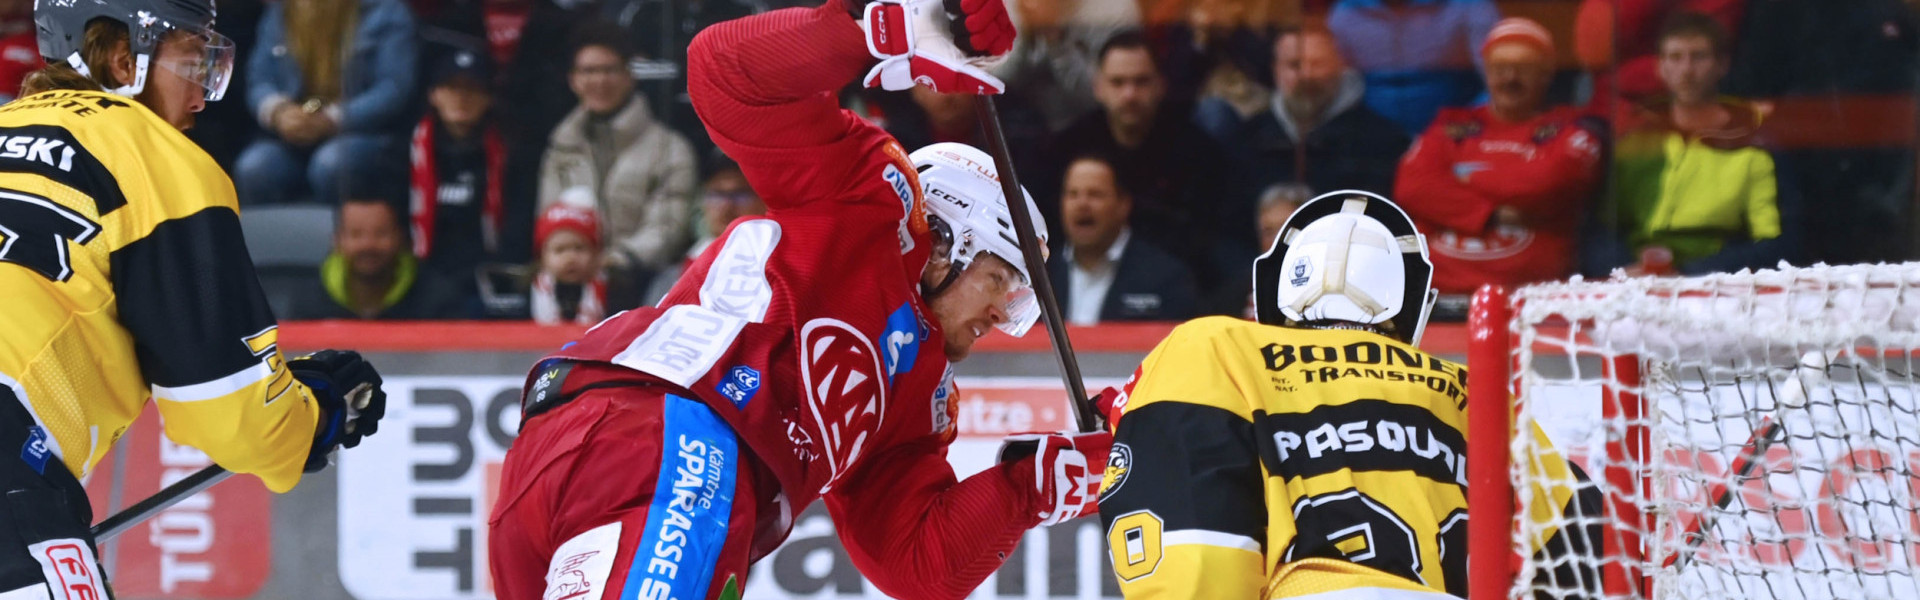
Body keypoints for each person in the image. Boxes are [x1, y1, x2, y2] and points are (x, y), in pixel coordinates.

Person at [487, 1, 1110, 597]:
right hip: (678, 442)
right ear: (948, 238)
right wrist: (882, 27)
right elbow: (723, 73)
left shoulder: (919, 398)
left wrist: (1035, 487)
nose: (1002, 314)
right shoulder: (870, 202)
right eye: (1001, 281)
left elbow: (918, 564)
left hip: (574, 442)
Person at [0, 0, 386, 595]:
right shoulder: (151, 154)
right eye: (192, 63)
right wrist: (314, 413)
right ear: (124, 59)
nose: (202, 98)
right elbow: (234, 416)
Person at [1099, 190, 1600, 598]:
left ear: (1276, 291)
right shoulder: (1467, 388)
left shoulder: (1217, 346)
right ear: (1408, 302)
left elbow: (1196, 546)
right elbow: (1583, 548)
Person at [1394, 18, 1607, 294]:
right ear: (1485, 71)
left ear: (1546, 73)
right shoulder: (1453, 124)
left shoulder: (1573, 127)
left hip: (1530, 294)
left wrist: (1461, 181)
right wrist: (1492, 214)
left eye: (1524, 69)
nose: (1510, 78)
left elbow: (1550, 183)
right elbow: (1412, 187)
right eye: (1499, 68)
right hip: (1434, 291)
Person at [1045, 30, 1239, 308]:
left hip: (1174, 285)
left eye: (1141, 82)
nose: (1130, 94)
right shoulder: (1068, 148)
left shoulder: (1197, 151)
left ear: (1161, 85)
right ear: (1098, 87)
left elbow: (1207, 237)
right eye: (1118, 82)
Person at [1590, 12, 1792, 276]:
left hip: (1713, 281)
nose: (1686, 70)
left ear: (1722, 65)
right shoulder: (1636, 143)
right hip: (1635, 279)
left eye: (1699, 57)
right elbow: (1600, 232)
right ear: (1660, 67)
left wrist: (1690, 272)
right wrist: (1623, 267)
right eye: (1675, 57)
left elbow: (1774, 244)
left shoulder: (1753, 146)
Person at [539, 22, 698, 286]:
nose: (600, 80)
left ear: (629, 75)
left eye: (609, 70)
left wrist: (617, 260)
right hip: (569, 279)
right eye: (589, 71)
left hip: (641, 280)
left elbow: (668, 228)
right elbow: (548, 217)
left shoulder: (671, 148)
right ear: (573, 80)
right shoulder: (560, 145)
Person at [235, 0, 419, 205]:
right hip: (292, 132)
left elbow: (393, 89)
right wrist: (279, 112)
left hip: (363, 132)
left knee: (331, 163)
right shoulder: (281, 9)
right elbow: (259, 78)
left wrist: (333, 119)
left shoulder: (385, 10)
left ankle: (345, 226)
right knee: (254, 167)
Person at [1202, 26, 1407, 201]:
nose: (1306, 75)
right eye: (1294, 65)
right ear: (1276, 70)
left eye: (1317, 64)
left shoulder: (1380, 140)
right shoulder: (1248, 140)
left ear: (1340, 67)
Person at [410, 44, 523, 290]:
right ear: (433, 95)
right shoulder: (407, 154)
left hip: (485, 276)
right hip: (421, 277)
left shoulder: (510, 156)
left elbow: (516, 228)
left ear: (489, 98)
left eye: (472, 88)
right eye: (451, 87)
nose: (461, 97)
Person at [1045, 154, 1197, 325]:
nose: (1082, 204)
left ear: (1123, 204)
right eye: (1073, 194)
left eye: (1095, 194)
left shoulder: (1167, 278)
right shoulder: (1039, 274)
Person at [287, 182, 469, 320]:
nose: (368, 245)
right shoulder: (308, 305)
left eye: (381, 234)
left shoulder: (438, 302)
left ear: (400, 238)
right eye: (356, 234)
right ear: (337, 241)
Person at [1327, 0, 1500, 136]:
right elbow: (1341, 87)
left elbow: (1498, 81)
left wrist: (1468, 125)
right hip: (1372, 139)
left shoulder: (1469, 5)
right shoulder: (1346, 10)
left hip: (1458, 132)